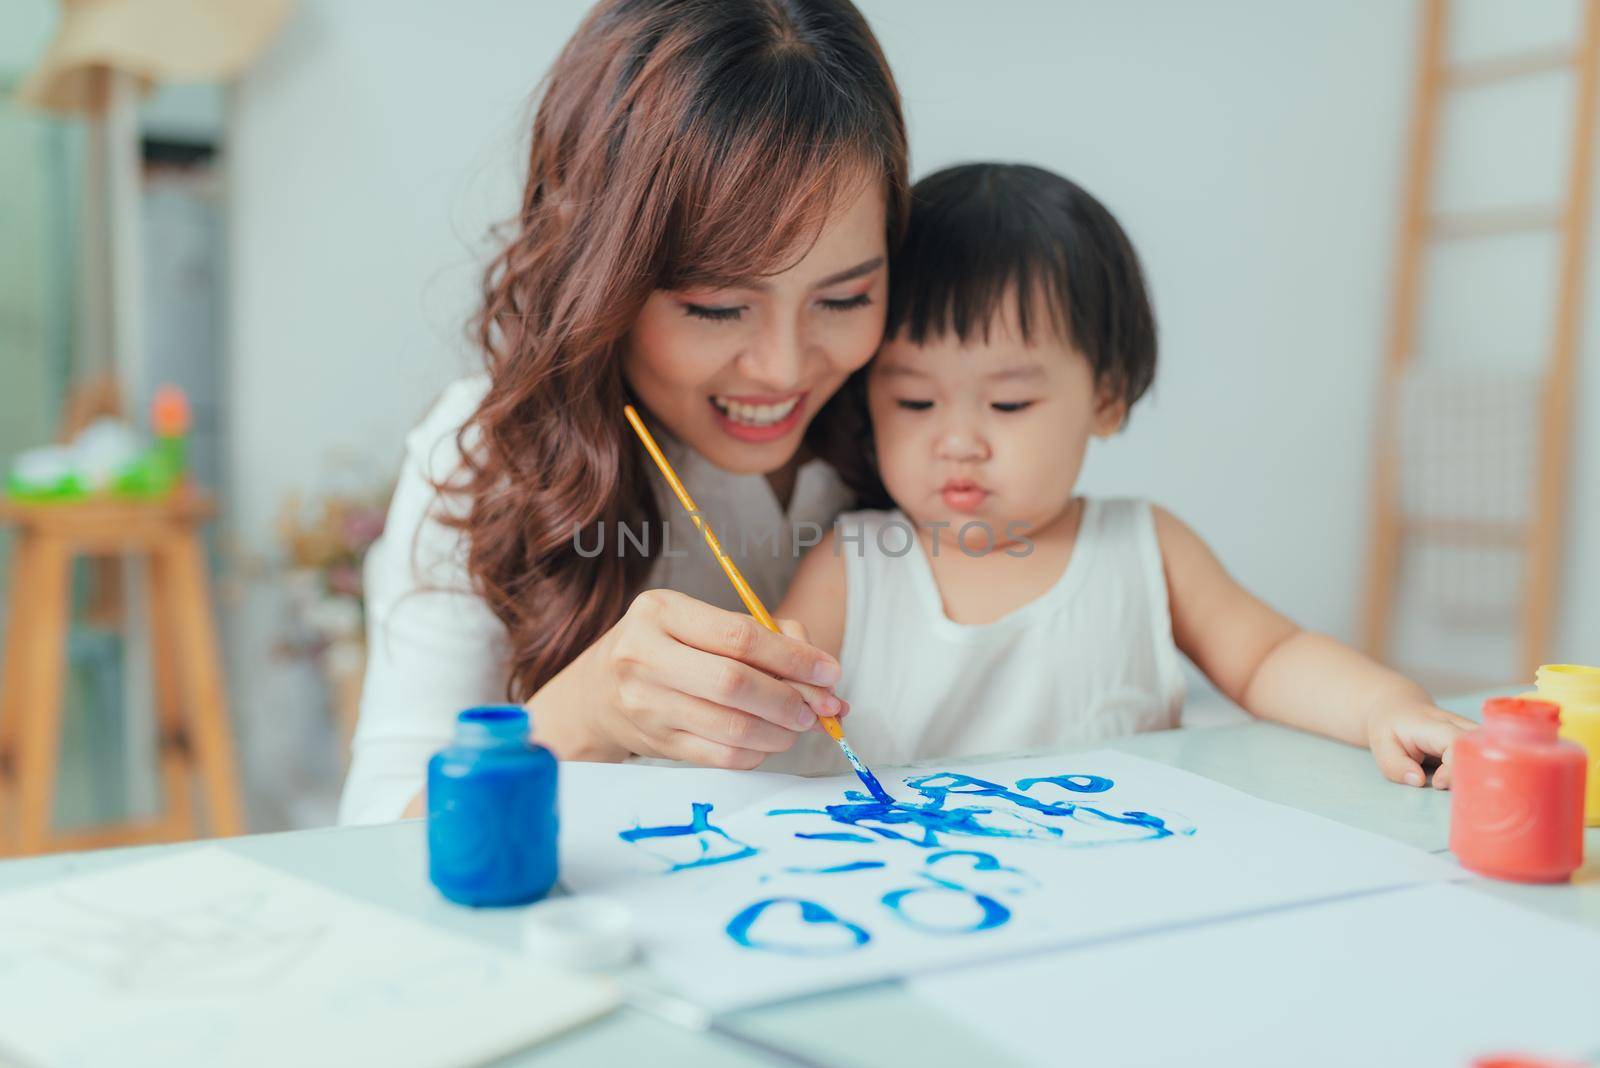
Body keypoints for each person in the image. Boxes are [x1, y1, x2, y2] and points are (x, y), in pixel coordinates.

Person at [339, 0, 907, 824]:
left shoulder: (919, 424)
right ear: (600, 275)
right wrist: (586, 713)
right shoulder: (487, 460)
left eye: (846, 296)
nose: (783, 367)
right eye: (716, 308)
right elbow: (371, 846)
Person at [773, 163, 1474, 787]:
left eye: (1009, 402)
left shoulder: (1144, 546)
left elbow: (1271, 658)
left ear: (1105, 398)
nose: (958, 442)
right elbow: (771, 682)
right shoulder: (854, 561)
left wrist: (1388, 707)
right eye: (915, 401)